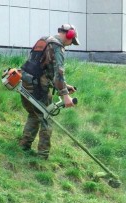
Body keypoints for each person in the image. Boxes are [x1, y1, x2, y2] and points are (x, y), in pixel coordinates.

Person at [19, 24, 80, 160]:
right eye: (72, 40)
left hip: (25, 82)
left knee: (34, 114)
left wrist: (64, 86)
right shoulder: (57, 48)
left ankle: (24, 146)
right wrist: (65, 97)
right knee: (46, 118)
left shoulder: (44, 40)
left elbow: (42, 68)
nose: (71, 44)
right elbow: (58, 74)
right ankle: (43, 156)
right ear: (69, 35)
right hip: (39, 88)